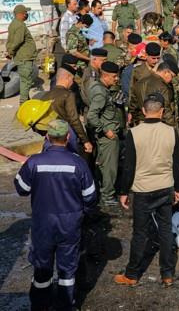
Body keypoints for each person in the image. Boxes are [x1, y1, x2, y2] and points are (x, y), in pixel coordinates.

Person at [14, 119, 97, 311]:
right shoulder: (78, 164)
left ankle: (40, 305)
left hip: (43, 225)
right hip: (70, 225)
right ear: (68, 137)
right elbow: (90, 197)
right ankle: (66, 305)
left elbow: (22, 189)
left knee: (42, 269)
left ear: (47, 137)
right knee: (67, 270)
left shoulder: (34, 162)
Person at [114, 92, 179, 287]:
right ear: (161, 112)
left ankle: (132, 275)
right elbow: (177, 164)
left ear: (144, 111)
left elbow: (128, 167)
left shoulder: (134, 133)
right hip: (165, 187)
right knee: (165, 231)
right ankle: (167, 274)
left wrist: (123, 192)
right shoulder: (172, 132)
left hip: (142, 190)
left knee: (139, 233)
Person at [87, 61, 121, 206]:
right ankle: (108, 195)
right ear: (105, 76)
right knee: (109, 167)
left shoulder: (98, 87)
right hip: (108, 136)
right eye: (114, 77)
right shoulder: (100, 92)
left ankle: (103, 191)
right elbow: (91, 116)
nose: (116, 79)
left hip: (106, 134)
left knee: (103, 164)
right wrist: (106, 131)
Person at [41, 64, 92, 154]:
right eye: (72, 80)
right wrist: (85, 141)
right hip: (66, 135)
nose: (72, 83)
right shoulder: (68, 95)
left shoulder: (45, 96)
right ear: (67, 78)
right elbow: (74, 120)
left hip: (50, 135)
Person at [129, 57, 179, 126]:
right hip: (157, 123)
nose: (171, 80)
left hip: (141, 122)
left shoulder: (140, 81)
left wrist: (135, 120)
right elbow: (166, 110)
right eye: (172, 76)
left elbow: (133, 105)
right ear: (166, 72)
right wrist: (172, 126)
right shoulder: (162, 86)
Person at [6, 5, 38, 104]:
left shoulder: (13, 24)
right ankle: (23, 103)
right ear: (20, 14)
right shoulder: (20, 25)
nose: (26, 15)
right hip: (24, 57)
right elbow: (17, 41)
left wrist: (10, 51)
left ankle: (26, 101)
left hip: (21, 57)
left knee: (25, 80)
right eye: (25, 13)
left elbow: (10, 41)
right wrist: (10, 52)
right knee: (26, 81)